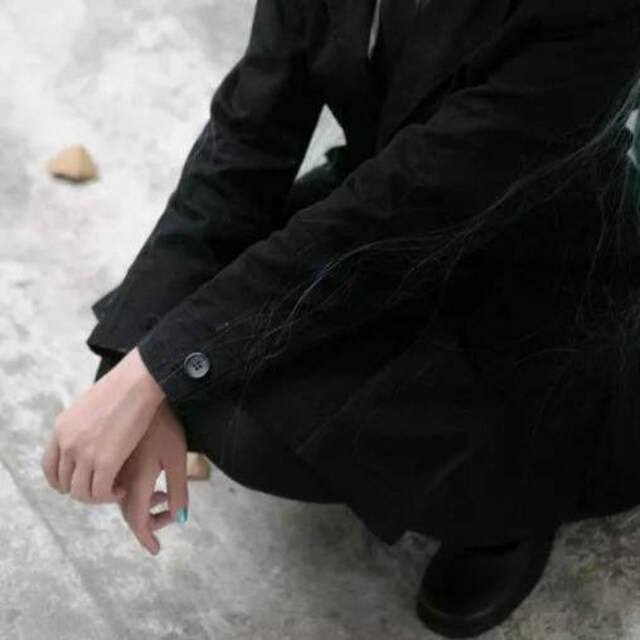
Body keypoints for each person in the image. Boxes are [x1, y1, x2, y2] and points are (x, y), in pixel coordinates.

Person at [40, 0, 640, 636]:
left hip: (532, 278)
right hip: (377, 200)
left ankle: (505, 510)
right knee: (208, 368)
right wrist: (134, 367)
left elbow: (397, 215)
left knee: (230, 398)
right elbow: (248, 137)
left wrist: (156, 373)